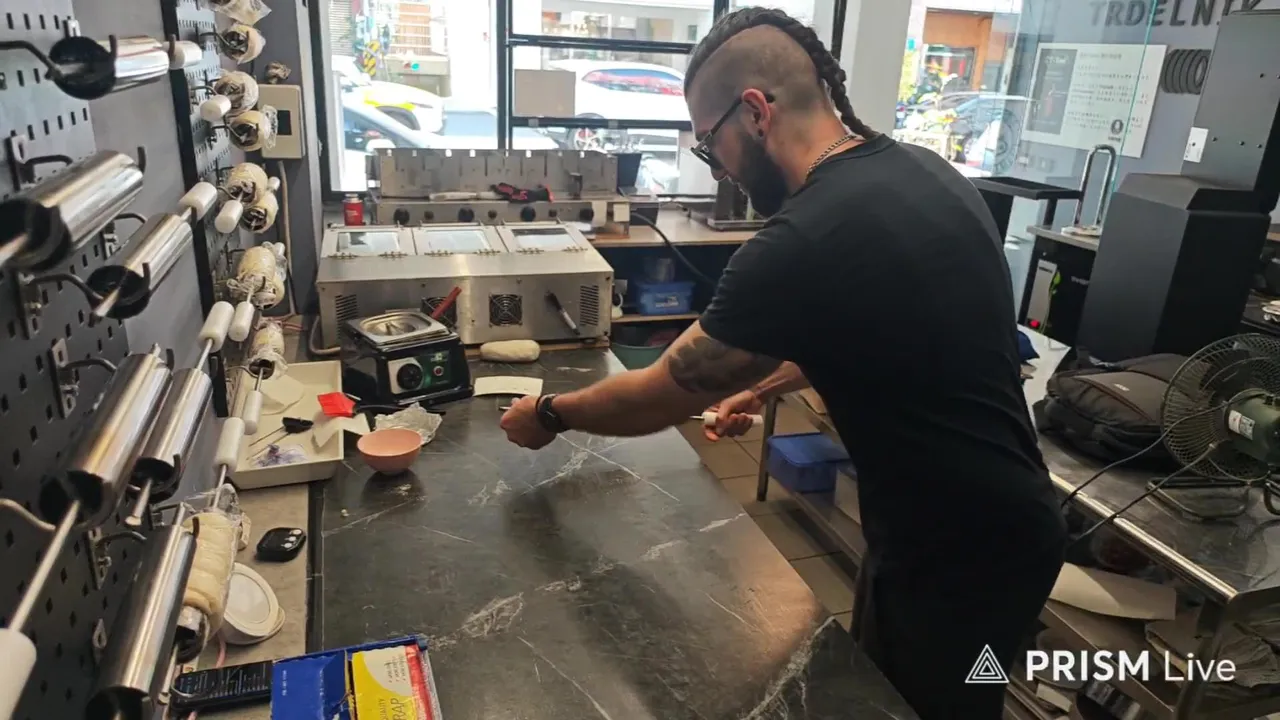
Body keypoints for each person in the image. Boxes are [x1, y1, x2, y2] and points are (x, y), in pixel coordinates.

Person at [500, 8, 1066, 718]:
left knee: (923, 707)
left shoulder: (806, 236)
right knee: (930, 691)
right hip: (1006, 530)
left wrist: (548, 414)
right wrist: (761, 387)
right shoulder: (925, 172)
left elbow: (661, 394)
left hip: (955, 559)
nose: (718, 166)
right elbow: (876, 326)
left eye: (710, 144)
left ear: (756, 112)